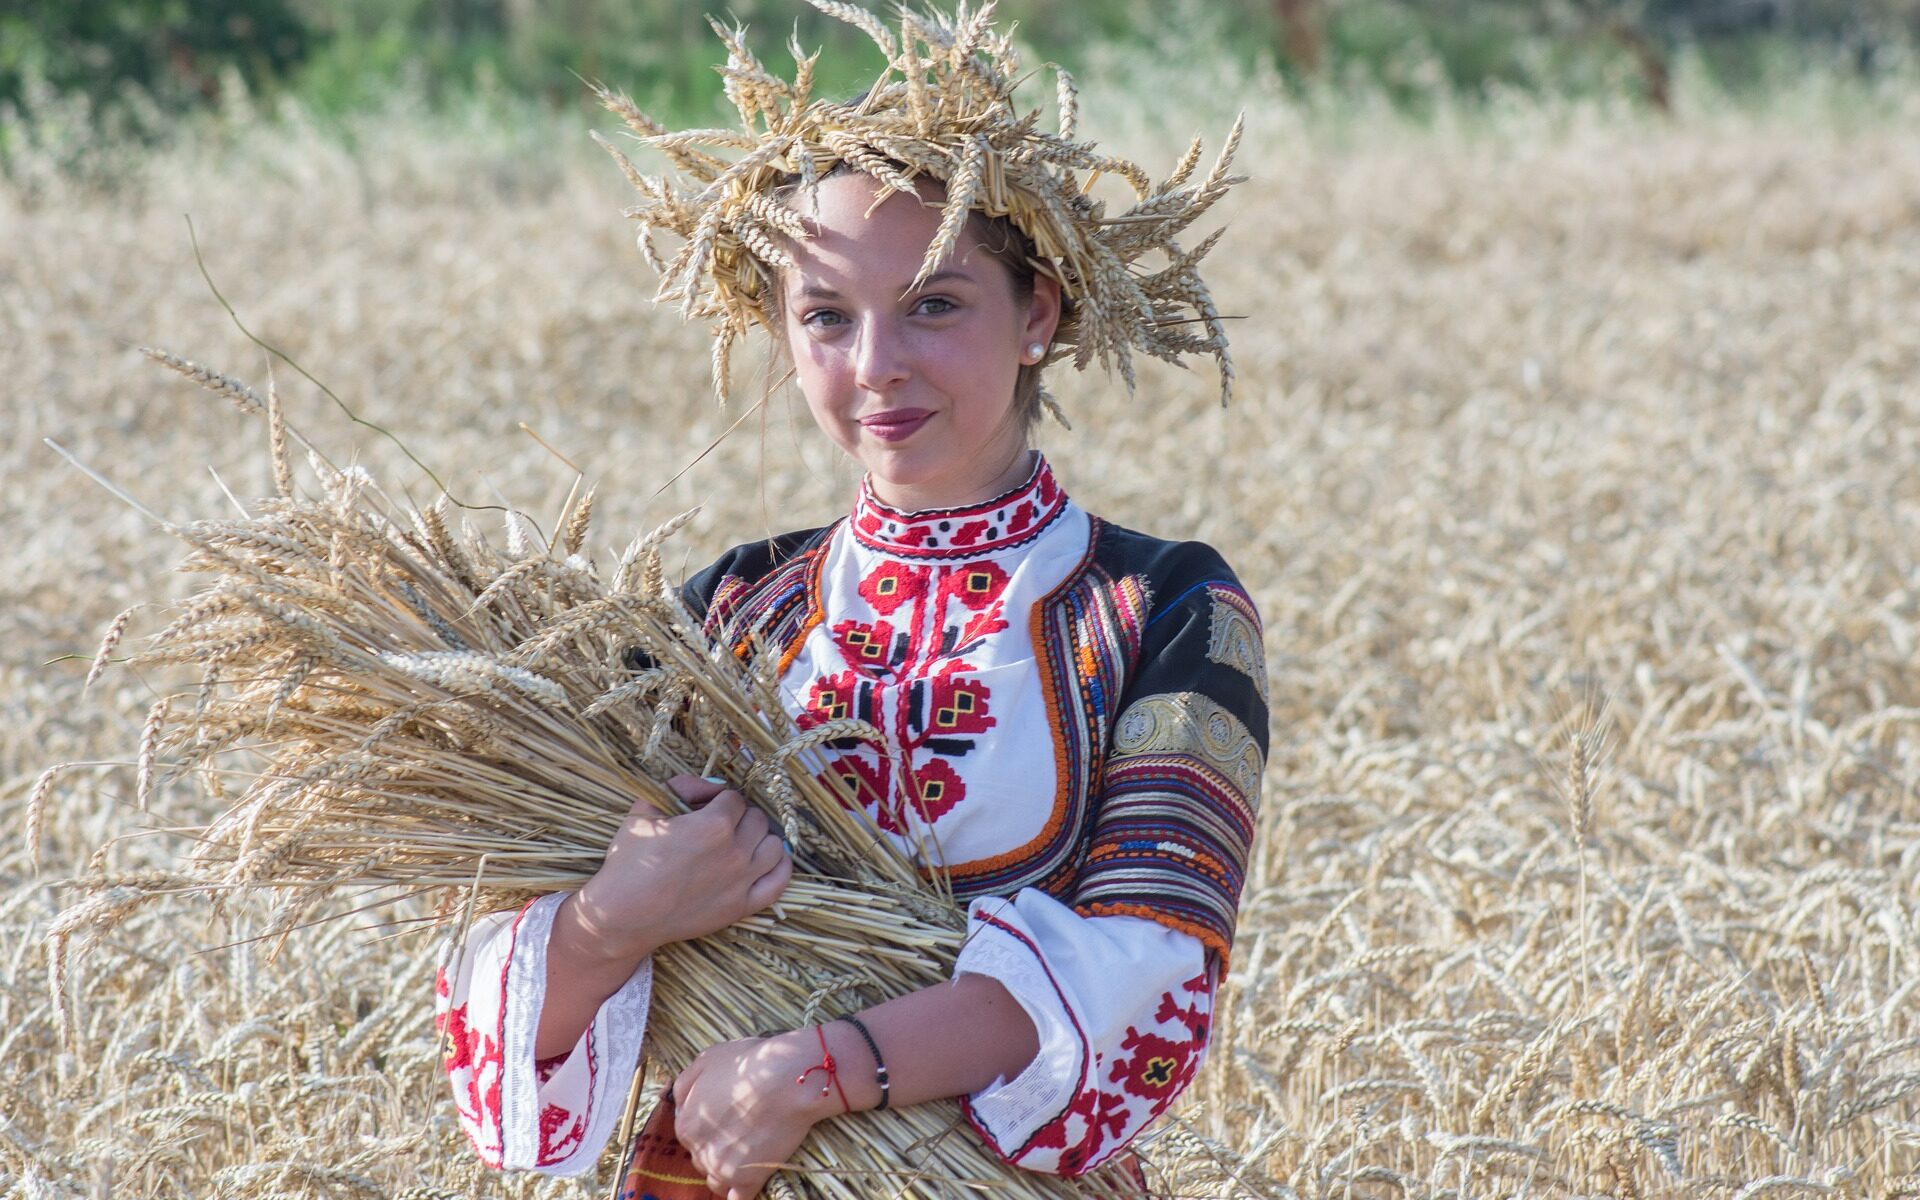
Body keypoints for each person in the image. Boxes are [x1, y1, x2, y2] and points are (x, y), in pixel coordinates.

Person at [435, 6, 1265, 1197]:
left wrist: (816, 1073)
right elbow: (516, 1008)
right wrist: (614, 921)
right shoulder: (722, 613)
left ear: (1037, 314)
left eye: (934, 302)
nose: (876, 363)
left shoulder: (1161, 609)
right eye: (826, 315)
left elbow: (1150, 960)